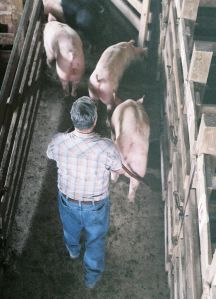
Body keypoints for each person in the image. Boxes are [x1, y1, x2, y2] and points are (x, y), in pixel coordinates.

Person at [46, 96, 124, 289]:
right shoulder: (107, 146)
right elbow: (119, 169)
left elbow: (50, 154)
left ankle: (73, 251)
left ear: (72, 119)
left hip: (67, 201)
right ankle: (91, 278)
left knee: (70, 229)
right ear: (95, 120)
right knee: (95, 240)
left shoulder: (58, 141)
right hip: (95, 206)